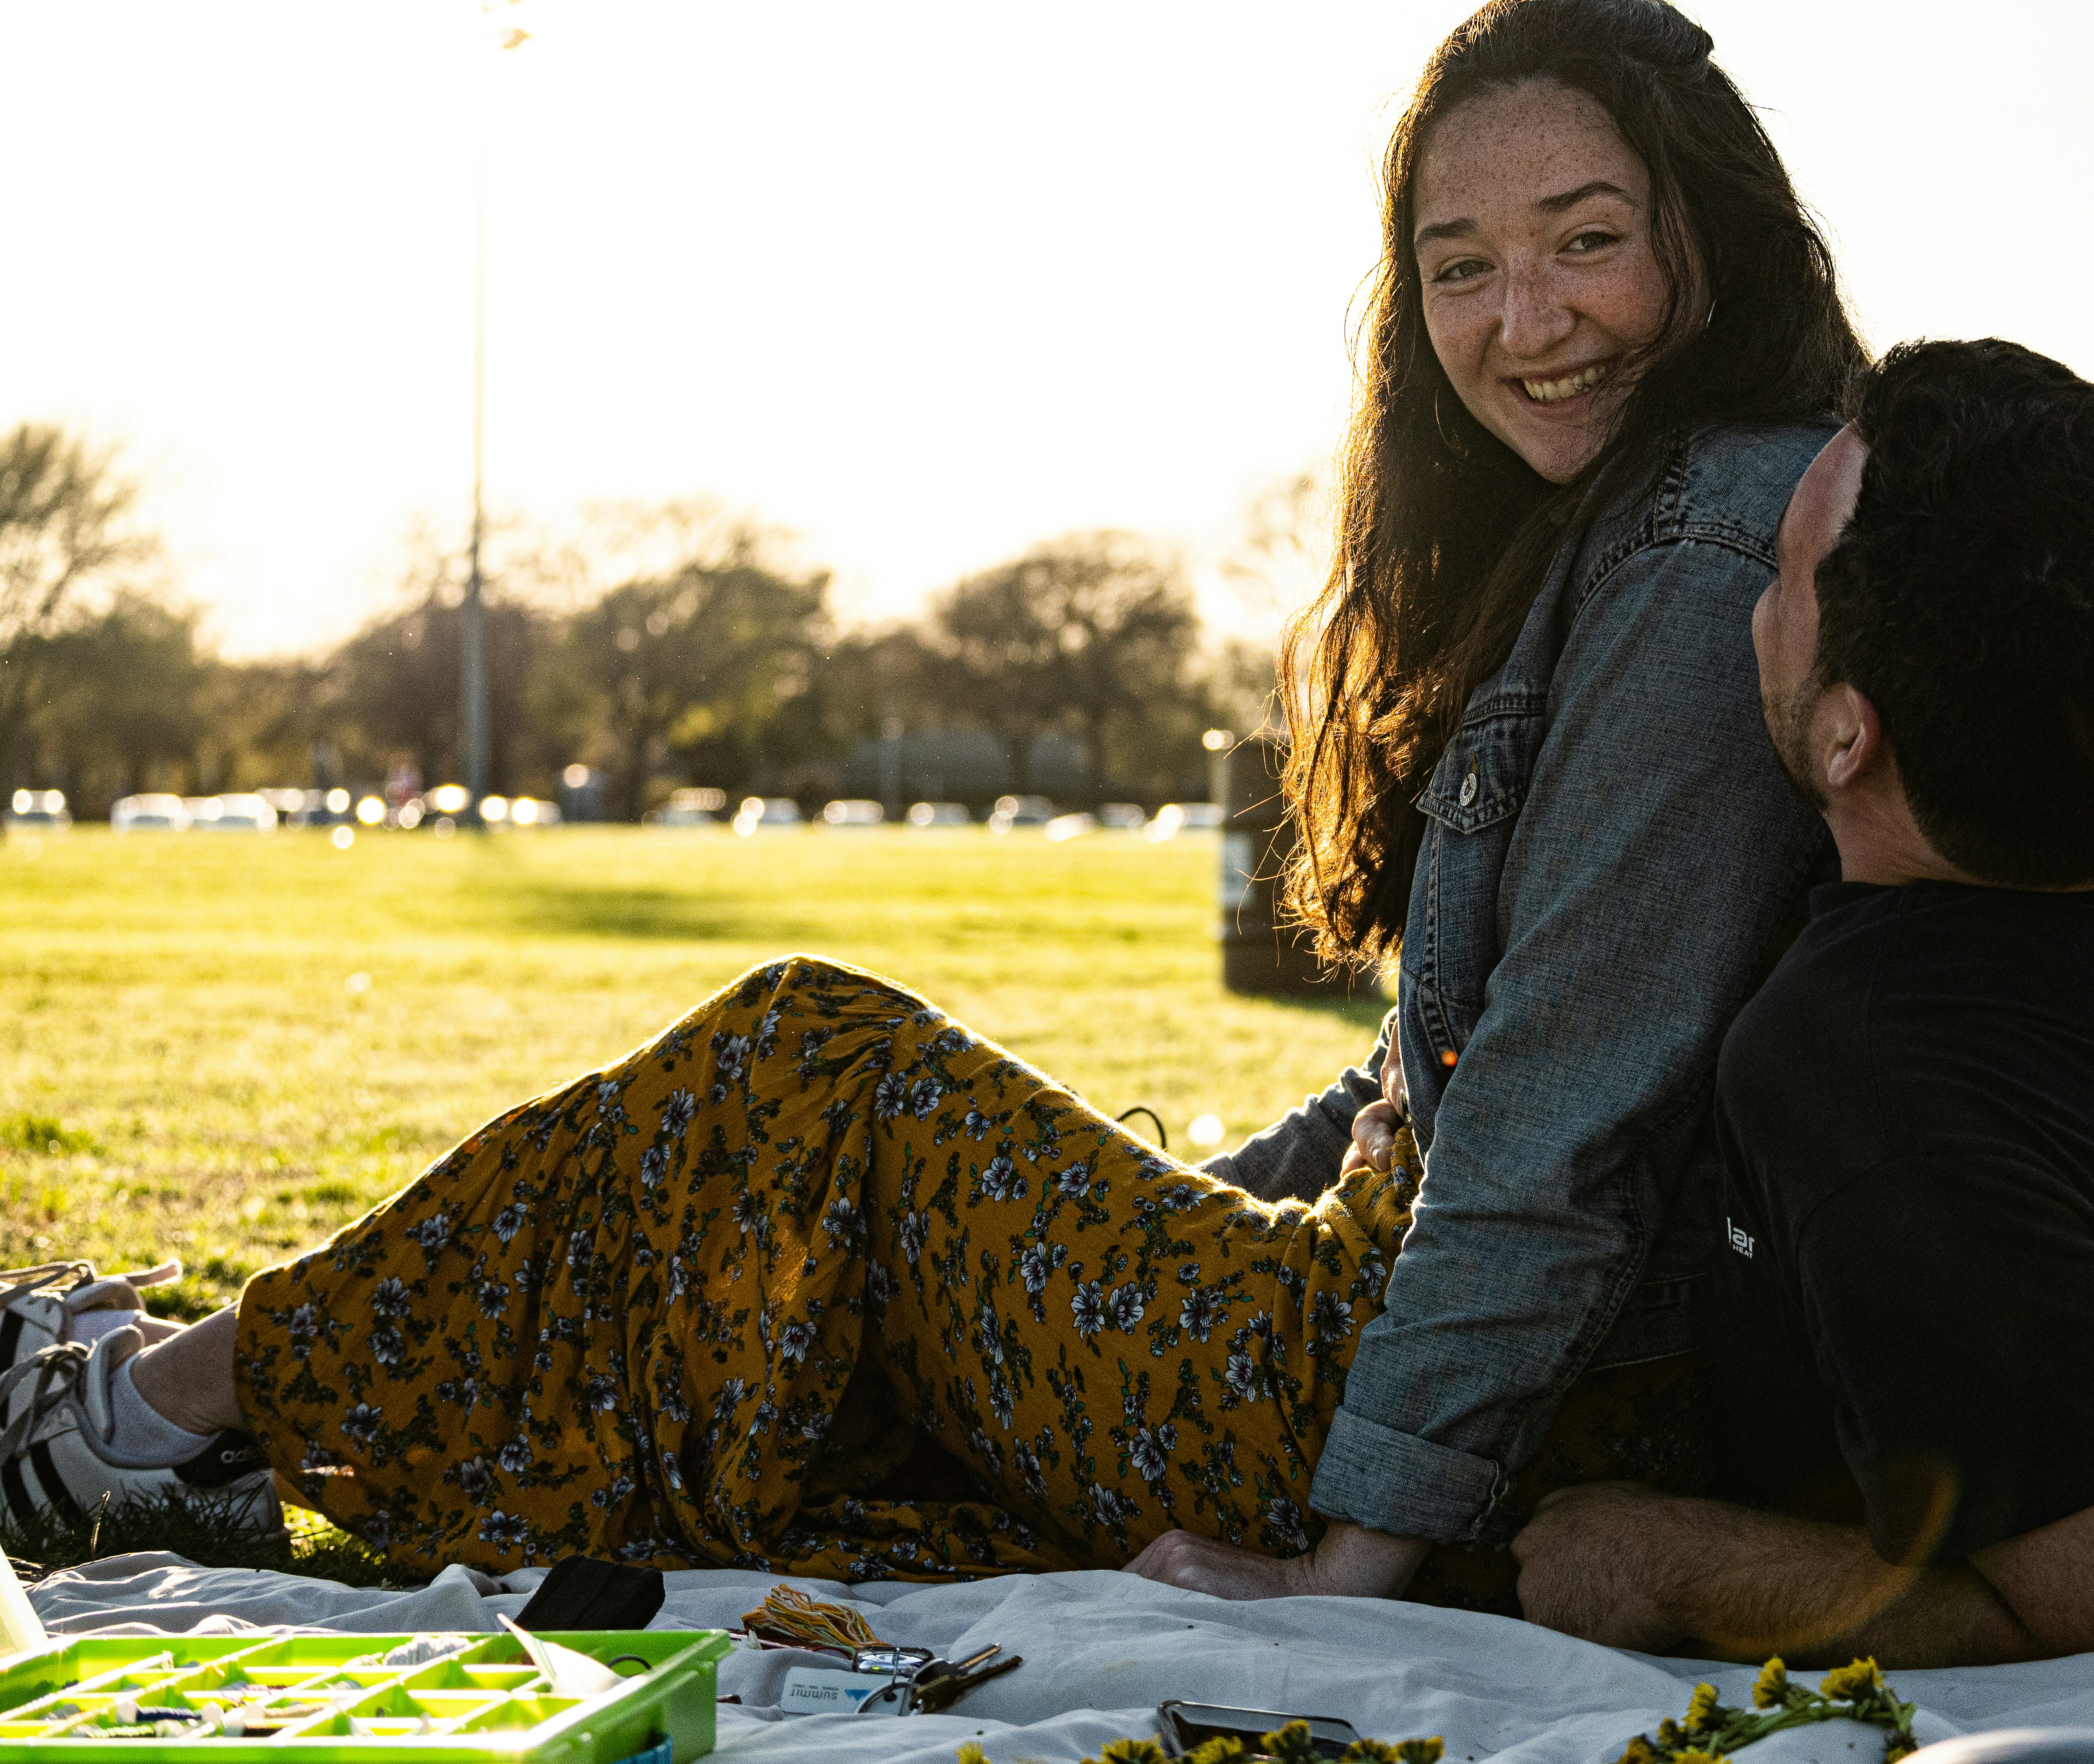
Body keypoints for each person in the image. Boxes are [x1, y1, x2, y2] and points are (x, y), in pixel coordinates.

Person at [0, 0, 1858, 1605]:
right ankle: (206, 1399)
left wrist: (1349, 1570)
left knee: (821, 1066)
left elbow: (1560, 1133)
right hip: (1402, 1351)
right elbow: (1440, 1067)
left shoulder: (1706, 557)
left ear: (1708, 233)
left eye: (1584, 240)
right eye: (1461, 265)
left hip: (1437, 1416)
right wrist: (1138, 1225)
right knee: (822, 1293)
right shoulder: (1645, 523)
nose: (1526, 320)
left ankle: (141, 1416)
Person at [1508, 339, 2094, 1665]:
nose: (1753, 612)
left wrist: (1672, 1561)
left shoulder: (1872, 1064)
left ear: (1848, 734)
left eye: (1782, 574)